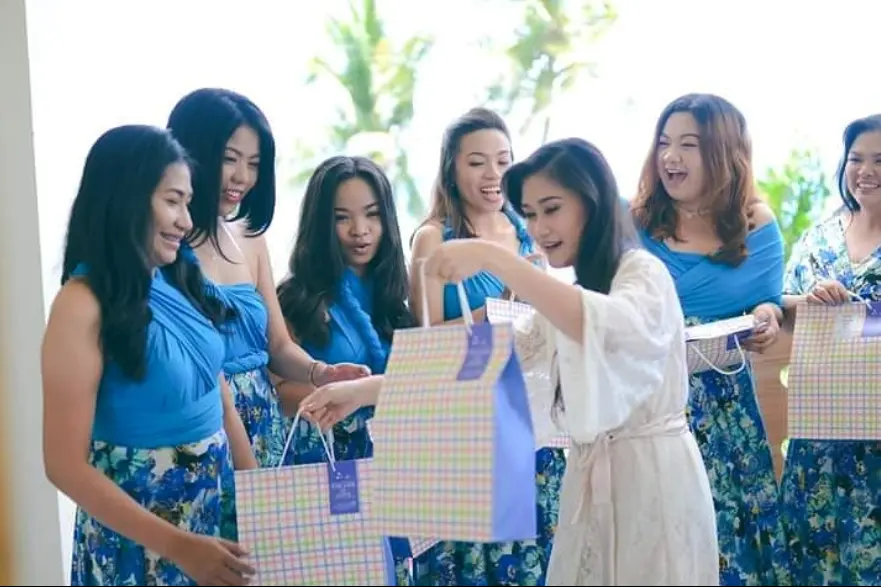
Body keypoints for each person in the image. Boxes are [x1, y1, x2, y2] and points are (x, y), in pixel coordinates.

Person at [305, 137, 721, 586]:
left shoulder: (642, 274)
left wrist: (493, 258)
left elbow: (601, 325)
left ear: (592, 202)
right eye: (531, 214)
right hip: (592, 484)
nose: (540, 228)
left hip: (653, 478)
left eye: (552, 209)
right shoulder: (573, 295)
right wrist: (362, 391)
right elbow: (484, 362)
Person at [41, 124, 257, 586]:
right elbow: (63, 465)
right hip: (140, 544)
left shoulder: (177, 275)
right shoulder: (80, 305)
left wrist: (256, 492)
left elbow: (216, 387)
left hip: (212, 520)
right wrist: (179, 546)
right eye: (173, 201)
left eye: (187, 203)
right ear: (126, 199)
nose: (186, 221)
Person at [631, 93, 790, 586]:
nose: (670, 157)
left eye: (688, 144)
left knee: (734, 539)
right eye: (664, 143)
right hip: (654, 407)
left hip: (728, 412)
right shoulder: (634, 224)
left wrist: (766, 318)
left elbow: (767, 302)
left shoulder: (756, 224)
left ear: (723, 152)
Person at [166, 88, 368, 473]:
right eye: (230, 159)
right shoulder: (165, 245)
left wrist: (320, 372)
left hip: (263, 422)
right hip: (201, 424)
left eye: (254, 164)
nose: (242, 177)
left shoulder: (250, 239)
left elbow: (277, 344)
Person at [408, 106, 566, 586]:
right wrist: (497, 306)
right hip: (468, 420)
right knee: (476, 561)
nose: (493, 174)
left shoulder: (528, 230)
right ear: (452, 170)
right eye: (477, 162)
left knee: (539, 554)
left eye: (503, 160)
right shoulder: (433, 238)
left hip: (533, 415)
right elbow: (426, 340)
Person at [274, 154, 416, 583]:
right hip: (327, 471)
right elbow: (278, 391)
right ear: (321, 224)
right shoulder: (297, 298)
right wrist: (340, 398)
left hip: (394, 473)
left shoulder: (398, 299)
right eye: (342, 218)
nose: (360, 230)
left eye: (372, 215)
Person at [779, 114, 881, 586]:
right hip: (819, 430)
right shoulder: (817, 240)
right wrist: (809, 299)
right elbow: (780, 310)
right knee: (811, 557)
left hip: (877, 434)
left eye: (880, 160)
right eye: (856, 159)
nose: (866, 171)